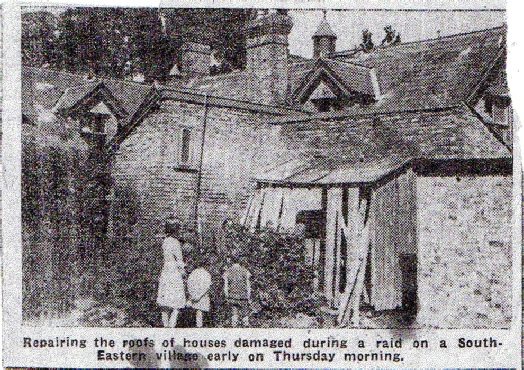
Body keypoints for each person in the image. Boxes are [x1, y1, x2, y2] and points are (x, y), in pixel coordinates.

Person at [157, 220, 187, 327]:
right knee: (176, 303)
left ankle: (165, 326)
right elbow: (179, 259)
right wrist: (183, 272)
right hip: (174, 271)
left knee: (165, 302)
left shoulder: (165, 241)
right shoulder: (175, 242)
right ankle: (172, 326)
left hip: (166, 270)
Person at [223, 256, 252, 327]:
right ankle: (246, 330)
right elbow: (248, 285)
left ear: (231, 262)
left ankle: (234, 329)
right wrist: (249, 295)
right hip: (243, 295)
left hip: (232, 295)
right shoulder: (245, 271)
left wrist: (226, 295)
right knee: (245, 314)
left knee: (234, 314)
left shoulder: (228, 271)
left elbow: (226, 286)